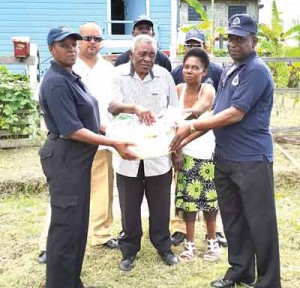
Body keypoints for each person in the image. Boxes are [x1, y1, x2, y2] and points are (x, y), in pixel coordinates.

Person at [170, 14, 281, 288]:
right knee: (233, 220)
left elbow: (234, 114)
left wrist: (191, 124)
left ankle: (268, 282)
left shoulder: (256, 70)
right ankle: (240, 271)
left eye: (240, 38)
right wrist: (183, 140)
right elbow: (216, 113)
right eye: (230, 37)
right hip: (226, 158)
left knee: (260, 222)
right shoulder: (230, 70)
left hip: (252, 160)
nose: (233, 43)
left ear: (254, 41)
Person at [39, 25, 136, 288]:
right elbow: (72, 130)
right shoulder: (56, 82)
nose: (71, 49)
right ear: (51, 49)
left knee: (78, 225)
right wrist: (114, 142)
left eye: (73, 44)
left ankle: (72, 281)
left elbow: (89, 118)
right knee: (65, 228)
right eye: (64, 45)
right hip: (65, 158)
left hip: (78, 159)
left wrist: (119, 131)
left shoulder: (72, 76)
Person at [108, 34, 179, 272]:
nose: (147, 59)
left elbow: (175, 112)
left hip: (158, 153)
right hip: (128, 153)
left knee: (160, 203)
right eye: (142, 54)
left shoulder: (164, 76)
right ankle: (129, 250)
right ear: (131, 55)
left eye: (151, 55)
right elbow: (112, 106)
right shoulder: (117, 75)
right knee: (129, 206)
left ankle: (163, 246)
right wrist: (135, 108)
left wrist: (175, 148)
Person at [170, 29, 226, 249]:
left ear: (204, 71)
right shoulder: (177, 89)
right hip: (184, 152)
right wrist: (176, 151)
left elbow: (199, 111)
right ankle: (187, 239)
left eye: (195, 68)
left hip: (206, 150)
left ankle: (213, 237)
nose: (190, 71)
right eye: (187, 67)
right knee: (188, 199)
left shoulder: (208, 89)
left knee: (211, 199)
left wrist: (180, 133)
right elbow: (171, 122)